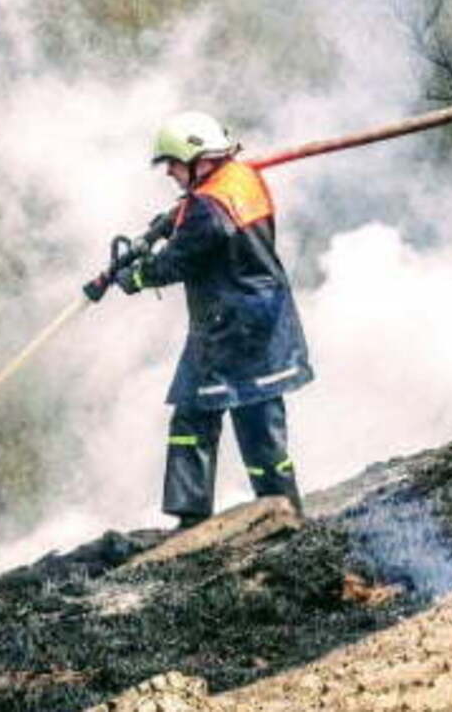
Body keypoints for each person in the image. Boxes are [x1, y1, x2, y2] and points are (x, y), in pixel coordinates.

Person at [114, 111, 312, 526]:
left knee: (209, 418)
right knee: (244, 422)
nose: (168, 171)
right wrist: (170, 221)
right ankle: (280, 511)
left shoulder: (207, 208)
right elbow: (198, 216)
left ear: (199, 158)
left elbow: (175, 261)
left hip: (230, 330)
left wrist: (133, 275)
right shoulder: (242, 179)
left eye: (172, 162)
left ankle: (213, 517)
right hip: (262, 320)